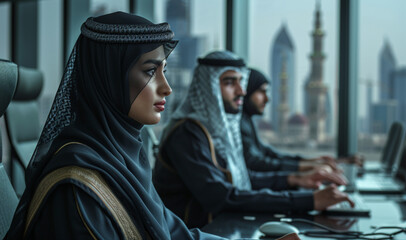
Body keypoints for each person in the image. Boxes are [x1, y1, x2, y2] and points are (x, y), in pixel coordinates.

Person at [5, 12, 226, 240]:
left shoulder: (122, 155)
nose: (167, 87)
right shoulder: (78, 187)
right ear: (110, 77)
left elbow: (176, 234)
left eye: (165, 71)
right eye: (151, 71)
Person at [153, 50, 353, 229]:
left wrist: (297, 179)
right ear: (208, 87)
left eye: (242, 82)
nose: (241, 91)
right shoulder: (187, 134)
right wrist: (307, 200)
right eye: (230, 82)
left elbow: (239, 176)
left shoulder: (211, 129)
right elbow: (222, 196)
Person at [241, 68, 363, 173]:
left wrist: (315, 161)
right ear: (246, 91)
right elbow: (256, 163)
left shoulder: (247, 120)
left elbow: (268, 154)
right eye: (261, 92)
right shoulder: (240, 123)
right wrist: (308, 168)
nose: (267, 99)